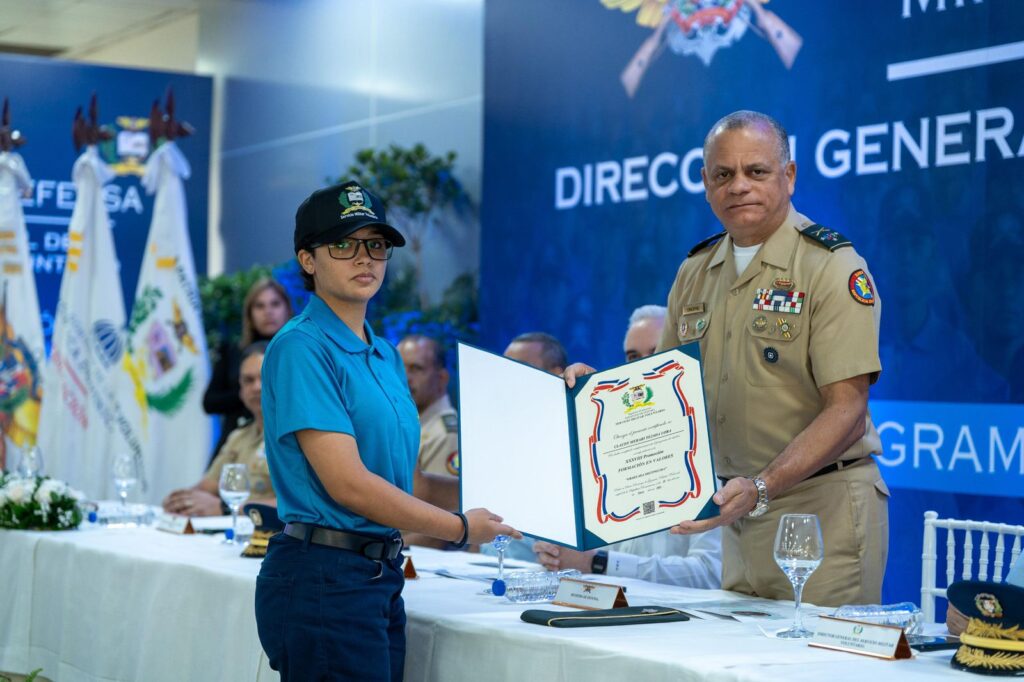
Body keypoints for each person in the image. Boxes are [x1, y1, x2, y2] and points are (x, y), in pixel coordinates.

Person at [566, 111, 888, 607]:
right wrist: (599, 393)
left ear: (790, 176)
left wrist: (762, 487)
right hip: (736, 517)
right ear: (706, 183)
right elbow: (664, 393)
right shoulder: (695, 272)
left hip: (821, 511)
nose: (739, 186)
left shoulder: (831, 266)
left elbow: (846, 411)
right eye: (723, 174)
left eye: (756, 171)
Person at [255, 180, 517, 681]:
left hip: (377, 577)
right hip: (321, 578)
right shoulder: (301, 347)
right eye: (343, 244)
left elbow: (408, 483)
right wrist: (461, 528)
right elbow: (348, 484)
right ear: (308, 260)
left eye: (375, 245)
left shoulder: (384, 354)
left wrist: (506, 500)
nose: (364, 258)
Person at [534, 306, 722, 588]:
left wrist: (600, 564)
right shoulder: (607, 445)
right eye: (633, 357)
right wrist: (558, 553)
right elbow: (589, 553)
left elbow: (711, 573)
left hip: (683, 625)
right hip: (612, 611)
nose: (643, 365)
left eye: (655, 352)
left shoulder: (710, 449)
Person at [163, 342, 274, 516]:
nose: (256, 387)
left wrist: (225, 508)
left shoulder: (297, 437)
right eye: (248, 380)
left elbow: (300, 507)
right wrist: (182, 501)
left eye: (264, 378)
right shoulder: (239, 436)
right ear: (240, 390)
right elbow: (207, 486)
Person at [203, 278, 292, 459]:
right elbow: (209, 402)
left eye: (275, 304)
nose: (268, 312)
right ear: (250, 313)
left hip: (284, 441)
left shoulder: (298, 352)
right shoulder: (232, 351)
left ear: (287, 309)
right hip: (236, 439)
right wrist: (247, 391)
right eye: (259, 306)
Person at [398, 334, 459, 478]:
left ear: (442, 378)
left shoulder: (446, 434)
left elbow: (436, 499)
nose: (404, 378)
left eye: (416, 368)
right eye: (399, 369)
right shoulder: (412, 422)